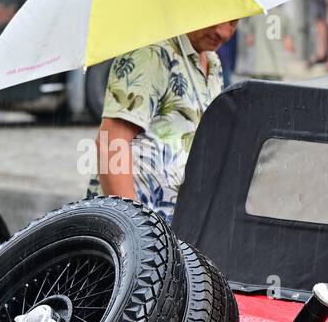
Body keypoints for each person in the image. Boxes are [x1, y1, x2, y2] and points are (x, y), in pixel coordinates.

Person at [91, 22, 237, 221]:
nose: (224, 32)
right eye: (219, 19)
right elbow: (111, 143)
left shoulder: (213, 62)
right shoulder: (151, 52)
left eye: (234, 22)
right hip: (138, 229)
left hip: (174, 226)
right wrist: (132, 226)